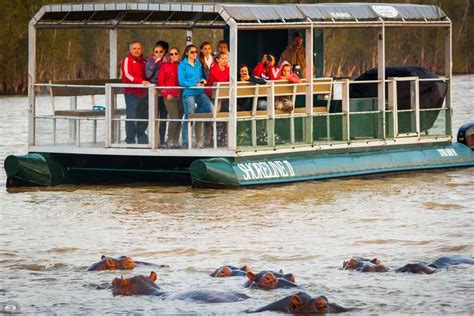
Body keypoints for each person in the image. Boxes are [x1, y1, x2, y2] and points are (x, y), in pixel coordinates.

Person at [178, 44, 213, 149]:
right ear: (187, 53)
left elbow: (200, 76)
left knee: (210, 108)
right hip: (189, 93)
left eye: (195, 52)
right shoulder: (182, 65)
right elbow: (182, 81)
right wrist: (194, 84)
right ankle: (185, 140)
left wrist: (203, 80)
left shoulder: (198, 63)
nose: (194, 54)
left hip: (200, 92)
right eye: (192, 52)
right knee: (189, 117)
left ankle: (194, 114)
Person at [121, 40, 150, 144]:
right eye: (134, 48)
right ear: (130, 49)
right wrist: (140, 81)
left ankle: (141, 136)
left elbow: (149, 74)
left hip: (144, 93)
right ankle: (130, 138)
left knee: (144, 115)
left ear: (142, 49)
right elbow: (127, 75)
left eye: (138, 48)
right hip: (131, 93)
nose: (137, 51)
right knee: (131, 115)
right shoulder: (127, 60)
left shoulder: (144, 61)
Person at [145, 41, 169, 147]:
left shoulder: (166, 62)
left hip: (164, 92)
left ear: (164, 52)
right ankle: (152, 139)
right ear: (153, 53)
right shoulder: (150, 62)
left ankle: (162, 140)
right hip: (154, 92)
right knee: (153, 116)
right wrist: (156, 63)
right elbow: (148, 75)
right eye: (156, 52)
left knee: (163, 117)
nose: (158, 53)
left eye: (160, 52)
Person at [158, 47, 182, 149]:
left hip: (181, 95)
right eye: (171, 54)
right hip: (170, 96)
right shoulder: (165, 66)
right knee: (174, 118)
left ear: (179, 54)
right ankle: (170, 140)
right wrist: (165, 93)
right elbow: (161, 81)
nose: (174, 56)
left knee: (180, 118)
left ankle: (176, 140)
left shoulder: (182, 65)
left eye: (175, 53)